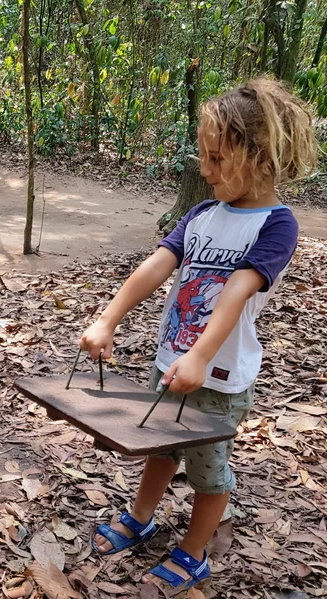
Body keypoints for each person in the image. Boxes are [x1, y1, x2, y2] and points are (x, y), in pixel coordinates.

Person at [79, 79, 318, 594]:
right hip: (171, 362)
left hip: (218, 378)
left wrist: (200, 357)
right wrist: (108, 318)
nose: (203, 168)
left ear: (259, 158)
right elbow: (155, 268)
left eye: (215, 157)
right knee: (160, 451)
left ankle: (193, 554)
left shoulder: (276, 225)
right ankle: (141, 517)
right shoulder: (201, 215)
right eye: (203, 156)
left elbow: (236, 291)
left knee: (209, 473)